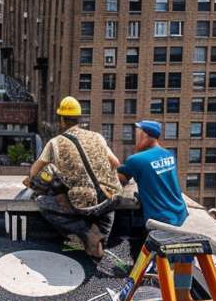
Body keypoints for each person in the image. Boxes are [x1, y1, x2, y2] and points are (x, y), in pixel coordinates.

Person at [25, 97, 123, 259]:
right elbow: (116, 162)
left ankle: (86, 234)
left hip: (85, 205)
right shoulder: (97, 136)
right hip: (112, 198)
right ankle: (101, 238)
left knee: (42, 201)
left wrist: (33, 179)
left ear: (62, 120)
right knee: (108, 203)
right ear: (78, 119)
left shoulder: (55, 143)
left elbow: (35, 170)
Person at [116, 120, 189, 229]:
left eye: (137, 133)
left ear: (144, 135)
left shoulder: (136, 159)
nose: (134, 138)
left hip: (159, 219)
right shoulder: (168, 154)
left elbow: (120, 181)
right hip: (179, 213)